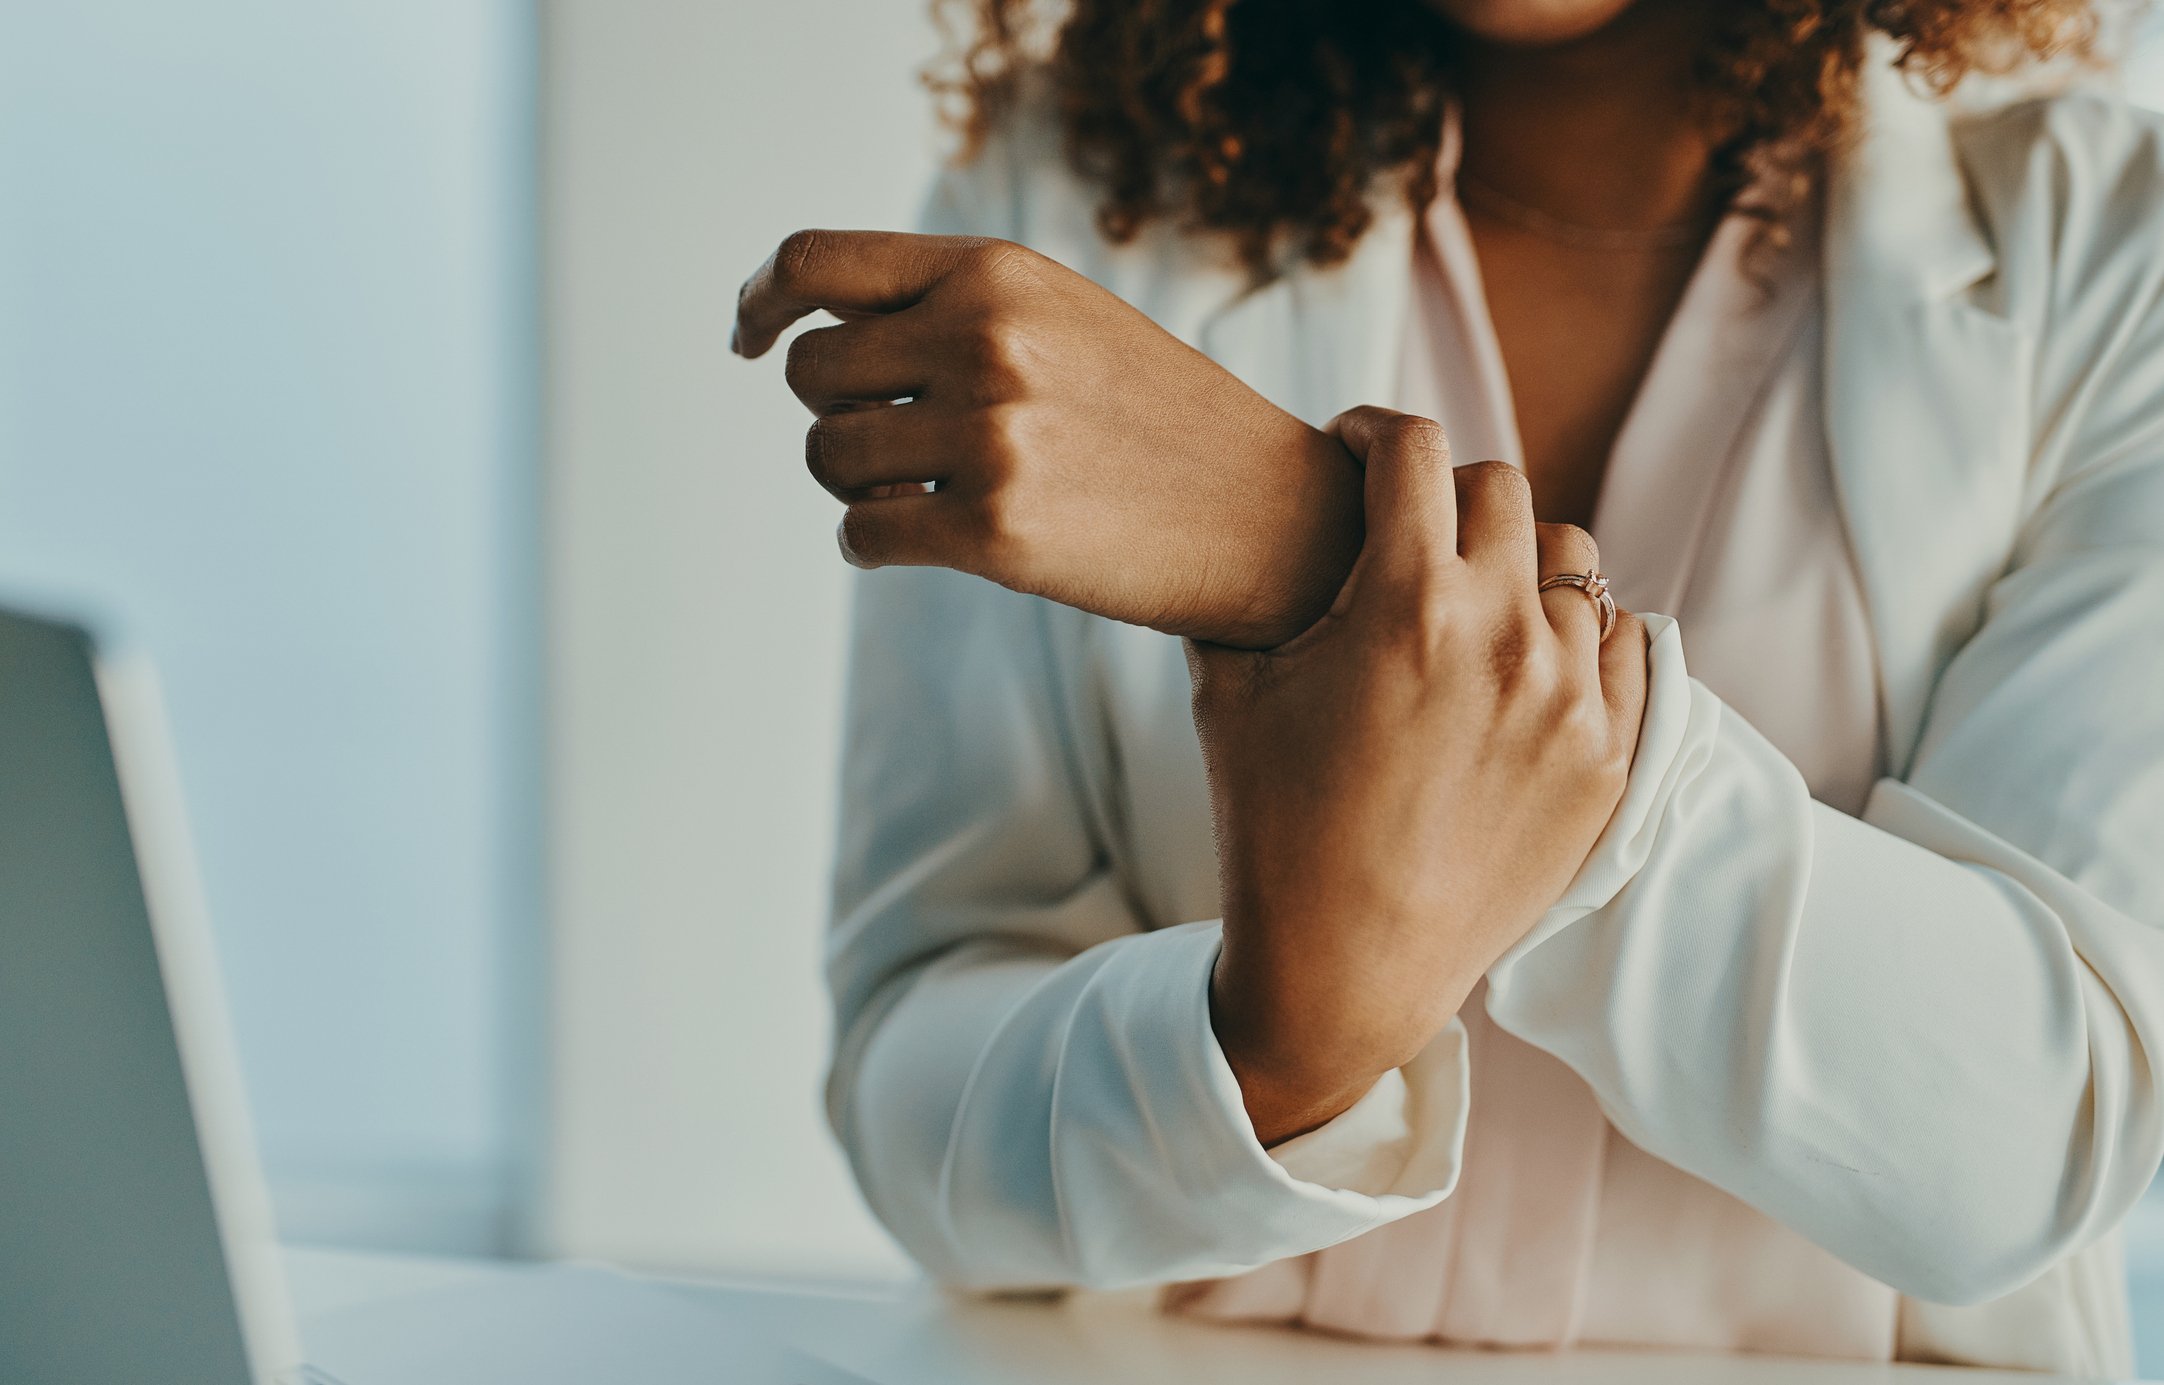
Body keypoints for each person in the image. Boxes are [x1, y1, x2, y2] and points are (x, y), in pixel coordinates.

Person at [731, 0, 2164, 1370]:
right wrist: (1266, 1061)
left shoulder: (2111, 253)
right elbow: (912, 1072)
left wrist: (1301, 551)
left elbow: (2037, 1135)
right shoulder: (1072, 192)